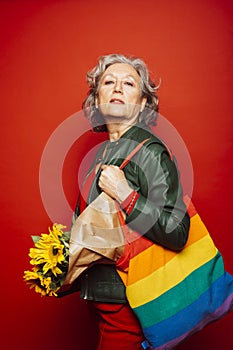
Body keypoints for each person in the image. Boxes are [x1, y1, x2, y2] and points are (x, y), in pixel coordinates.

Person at [73, 54, 190, 350]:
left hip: (130, 308)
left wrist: (127, 195)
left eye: (128, 84)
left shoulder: (149, 152)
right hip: (102, 301)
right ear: (96, 99)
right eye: (108, 82)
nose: (117, 88)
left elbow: (178, 232)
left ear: (142, 103)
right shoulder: (98, 157)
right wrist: (56, 259)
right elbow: (91, 231)